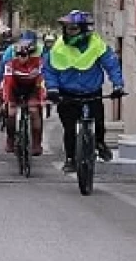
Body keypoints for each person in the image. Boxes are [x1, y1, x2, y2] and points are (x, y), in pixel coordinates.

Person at [43, 10, 126, 173]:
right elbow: (49, 70)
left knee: (99, 121)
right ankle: (70, 159)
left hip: (92, 91)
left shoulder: (96, 44)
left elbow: (111, 64)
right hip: (67, 93)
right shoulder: (58, 47)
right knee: (69, 128)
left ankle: (100, 143)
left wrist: (118, 85)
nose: (69, 32)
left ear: (83, 29)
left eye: (73, 28)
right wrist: (52, 88)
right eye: (67, 28)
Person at [2, 30, 46, 157]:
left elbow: (41, 82)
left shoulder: (38, 62)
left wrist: (42, 98)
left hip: (32, 88)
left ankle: (36, 143)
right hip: (15, 89)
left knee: (34, 110)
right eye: (18, 54)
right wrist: (7, 100)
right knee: (11, 112)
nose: (21, 57)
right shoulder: (11, 63)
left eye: (24, 55)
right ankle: (10, 139)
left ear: (30, 54)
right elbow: (7, 83)